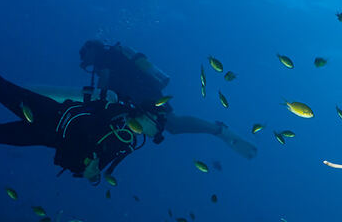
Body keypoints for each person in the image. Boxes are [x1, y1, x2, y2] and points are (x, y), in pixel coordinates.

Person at [0, 0, 253, 183]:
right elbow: (89, 116)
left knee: (0, 136)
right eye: (154, 128)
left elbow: (177, 126)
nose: (155, 135)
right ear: (143, 117)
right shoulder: (121, 114)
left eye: (156, 132)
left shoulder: (127, 138)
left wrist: (91, 171)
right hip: (50, 115)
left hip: (46, 133)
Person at [78, 40, 256, 159]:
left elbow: (104, 84)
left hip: (143, 93)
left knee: (173, 123)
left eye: (83, 53)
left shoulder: (104, 59)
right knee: (172, 126)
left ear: (92, 48)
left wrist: (97, 103)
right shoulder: (111, 56)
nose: (83, 59)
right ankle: (217, 130)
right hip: (142, 94)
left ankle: (218, 129)